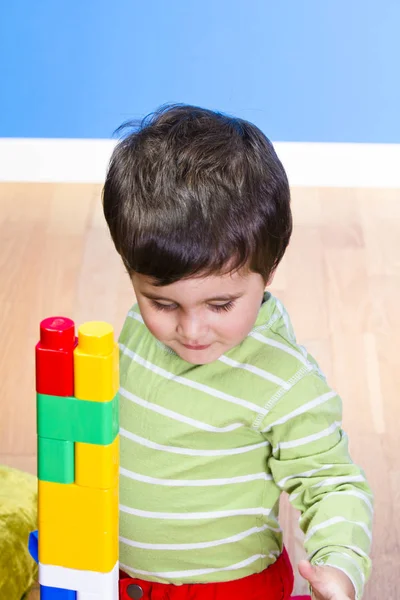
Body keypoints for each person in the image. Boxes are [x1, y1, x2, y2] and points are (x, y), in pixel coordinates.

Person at [102, 104, 373, 600]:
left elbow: (334, 485)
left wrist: (339, 568)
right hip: (122, 576)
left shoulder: (284, 380)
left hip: (228, 588)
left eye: (221, 304)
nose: (191, 330)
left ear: (268, 272)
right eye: (162, 302)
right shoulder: (139, 327)